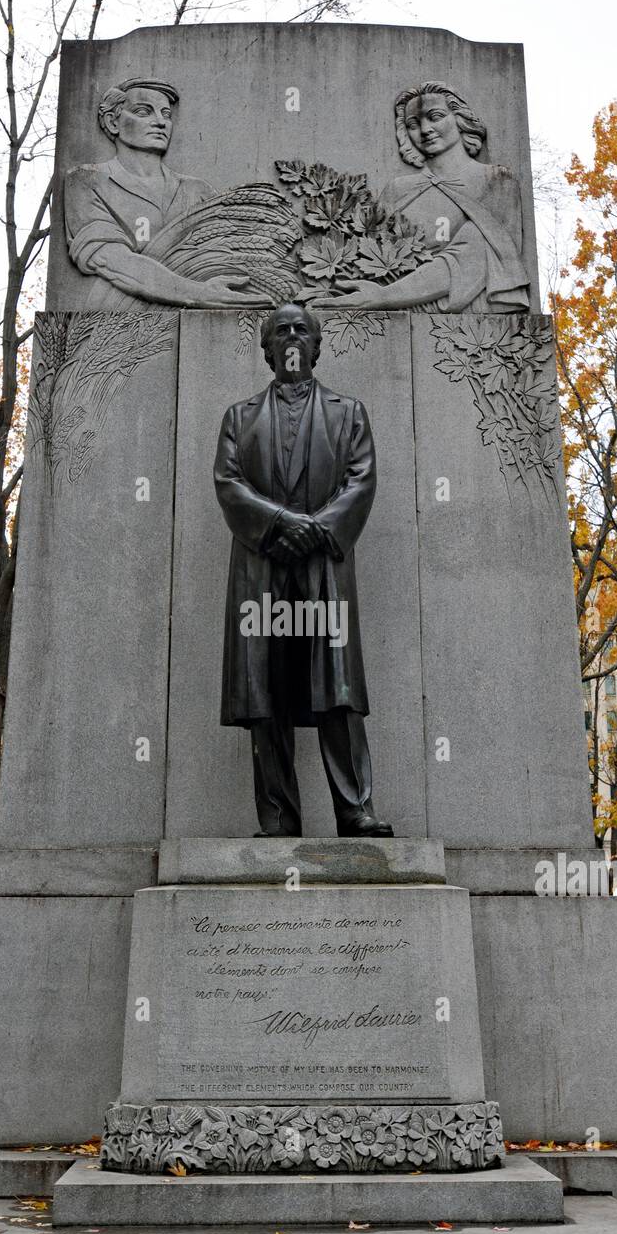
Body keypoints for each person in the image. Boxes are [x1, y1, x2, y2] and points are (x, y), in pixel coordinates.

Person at [214, 302, 393, 839]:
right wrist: (279, 524)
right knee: (264, 693)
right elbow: (228, 484)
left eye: (301, 330)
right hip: (262, 567)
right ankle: (277, 818)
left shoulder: (349, 413)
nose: (291, 337)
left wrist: (316, 529)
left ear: (316, 346)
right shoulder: (239, 417)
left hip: (323, 567)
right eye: (280, 331)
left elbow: (362, 480)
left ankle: (354, 810)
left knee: (336, 691)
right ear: (267, 350)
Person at [317, 81, 530, 313]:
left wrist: (386, 297)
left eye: (435, 116)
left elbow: (474, 255)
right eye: (413, 124)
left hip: (460, 316)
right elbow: (371, 251)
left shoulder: (495, 180)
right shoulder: (398, 189)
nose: (425, 129)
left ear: (460, 118)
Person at [64, 78, 269, 310]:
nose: (161, 122)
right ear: (113, 122)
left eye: (166, 114)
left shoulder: (197, 191)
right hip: (120, 327)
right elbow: (111, 260)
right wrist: (198, 294)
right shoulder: (87, 180)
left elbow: (227, 255)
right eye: (144, 112)